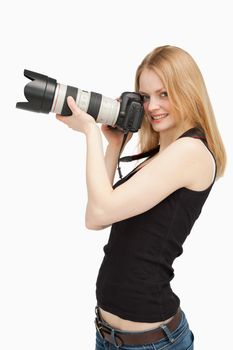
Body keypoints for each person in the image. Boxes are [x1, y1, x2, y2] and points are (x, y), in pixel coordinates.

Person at [56, 45, 226, 350]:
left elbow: (98, 213)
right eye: (145, 97)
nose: (152, 107)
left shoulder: (190, 152)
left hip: (151, 343)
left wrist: (90, 133)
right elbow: (95, 216)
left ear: (187, 91)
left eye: (164, 94)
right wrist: (114, 143)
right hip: (111, 337)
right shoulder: (163, 155)